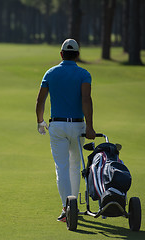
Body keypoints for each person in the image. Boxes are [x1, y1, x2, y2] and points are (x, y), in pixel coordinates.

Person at [35, 39, 96, 222]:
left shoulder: (51, 73)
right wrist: (90, 126)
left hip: (58, 126)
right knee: (75, 166)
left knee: (61, 167)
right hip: (78, 125)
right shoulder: (84, 74)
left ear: (61, 54)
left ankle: (67, 208)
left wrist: (40, 121)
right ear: (77, 55)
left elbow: (40, 101)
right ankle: (74, 204)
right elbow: (86, 99)